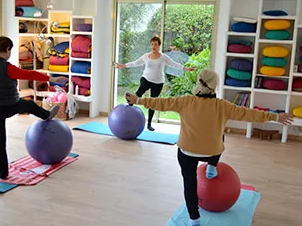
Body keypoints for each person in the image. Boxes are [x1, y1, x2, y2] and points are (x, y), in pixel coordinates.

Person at [125, 69, 293, 226]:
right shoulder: (223, 106)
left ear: (198, 83)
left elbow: (161, 103)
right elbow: (248, 113)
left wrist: (138, 100)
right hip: (211, 151)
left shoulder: (185, 101)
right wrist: (276, 117)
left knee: (189, 185)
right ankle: (212, 165)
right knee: (220, 135)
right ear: (215, 86)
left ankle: (194, 220)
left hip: (187, 152)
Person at [0, 36, 68, 180]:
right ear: (7, 49)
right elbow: (28, 74)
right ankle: (46, 115)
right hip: (8, 105)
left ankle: (2, 172)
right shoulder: (8, 67)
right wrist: (51, 79)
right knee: (28, 104)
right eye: (11, 50)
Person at [116, 36, 196, 131]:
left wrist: (186, 69)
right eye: (152, 44)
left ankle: (149, 123)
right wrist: (122, 65)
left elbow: (174, 64)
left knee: (153, 102)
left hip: (158, 82)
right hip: (146, 78)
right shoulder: (146, 56)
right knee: (140, 90)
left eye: (156, 44)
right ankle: (128, 109)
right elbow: (135, 63)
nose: (154, 46)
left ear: (159, 46)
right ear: (151, 45)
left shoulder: (163, 57)